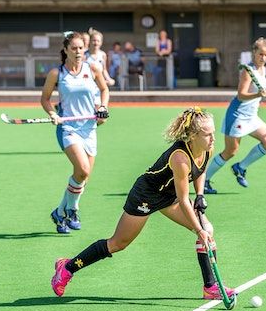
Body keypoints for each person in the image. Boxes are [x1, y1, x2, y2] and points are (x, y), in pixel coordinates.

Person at [51, 107, 236, 300]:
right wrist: (198, 231)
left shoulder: (206, 148)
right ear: (192, 136)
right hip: (146, 195)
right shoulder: (180, 158)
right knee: (118, 243)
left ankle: (210, 287)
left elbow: (200, 169)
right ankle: (67, 267)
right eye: (208, 135)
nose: (213, 138)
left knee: (208, 228)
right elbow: (182, 200)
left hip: (168, 195)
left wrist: (199, 194)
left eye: (213, 133)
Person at [41, 31, 110, 234]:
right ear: (66, 50)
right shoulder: (57, 74)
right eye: (74, 48)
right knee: (83, 170)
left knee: (82, 178)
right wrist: (53, 113)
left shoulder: (93, 68)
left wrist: (102, 109)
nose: (78, 51)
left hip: (90, 128)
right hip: (69, 128)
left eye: (81, 48)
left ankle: (60, 212)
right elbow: (45, 99)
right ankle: (73, 209)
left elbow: (104, 90)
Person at [204, 37, 266, 194]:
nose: (263, 58)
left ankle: (240, 167)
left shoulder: (262, 69)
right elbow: (241, 95)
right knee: (230, 151)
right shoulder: (248, 70)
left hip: (252, 116)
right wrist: (257, 94)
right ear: (254, 52)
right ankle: (204, 180)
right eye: (261, 54)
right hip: (237, 115)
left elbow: (259, 91)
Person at [85, 28, 116, 102]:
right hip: (87, 88)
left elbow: (104, 70)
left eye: (98, 41)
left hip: (99, 87)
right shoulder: (84, 55)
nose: (96, 43)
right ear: (90, 41)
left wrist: (109, 79)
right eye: (94, 40)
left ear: (101, 42)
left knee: (100, 110)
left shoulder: (103, 55)